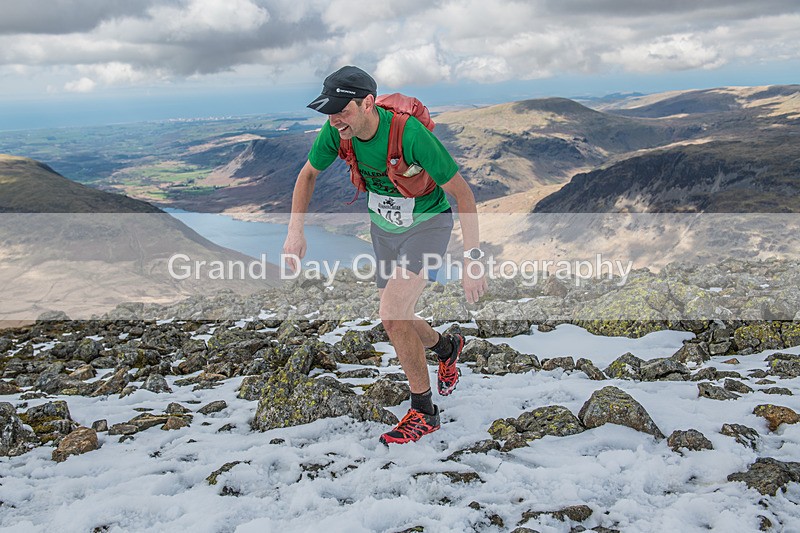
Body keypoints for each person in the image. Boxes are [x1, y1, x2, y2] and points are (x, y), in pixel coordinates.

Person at [283, 66, 487, 445]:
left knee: (391, 316)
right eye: (329, 112)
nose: (334, 120)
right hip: (383, 229)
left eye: (342, 110)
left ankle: (424, 412)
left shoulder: (410, 135)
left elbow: (464, 195)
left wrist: (472, 259)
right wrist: (295, 230)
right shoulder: (336, 132)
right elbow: (307, 174)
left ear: (368, 104)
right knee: (399, 316)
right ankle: (447, 347)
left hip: (427, 224)